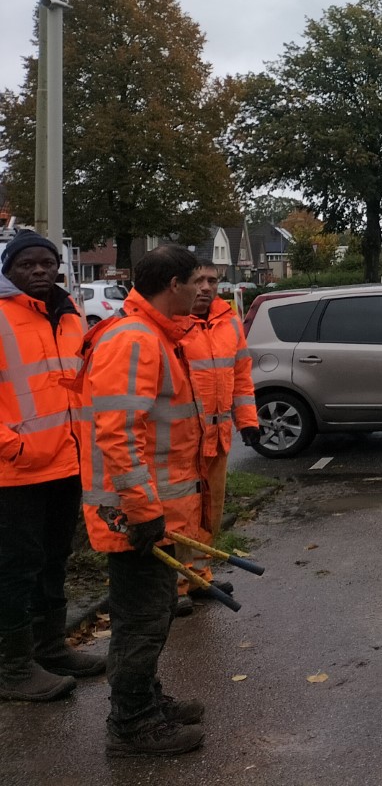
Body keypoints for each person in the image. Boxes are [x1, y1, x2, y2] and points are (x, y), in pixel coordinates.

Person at [80, 244, 207, 756]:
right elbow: (118, 432)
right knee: (141, 618)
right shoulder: (135, 339)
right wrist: (143, 509)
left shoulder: (150, 332)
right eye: (195, 281)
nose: (204, 291)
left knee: (151, 615)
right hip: (133, 513)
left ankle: (146, 701)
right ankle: (132, 726)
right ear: (172, 284)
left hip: (147, 507)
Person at [0, 230, 101, 704]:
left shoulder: (68, 316)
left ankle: (51, 648)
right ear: (9, 270)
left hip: (65, 463)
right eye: (27, 265)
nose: (39, 271)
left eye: (47, 263)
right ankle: (13, 668)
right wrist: (13, 447)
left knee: (53, 561)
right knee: (15, 569)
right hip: (14, 472)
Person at [174, 262, 259, 614]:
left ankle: (198, 576)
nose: (206, 287)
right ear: (179, 285)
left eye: (212, 280)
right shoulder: (170, 326)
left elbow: (241, 377)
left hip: (218, 437)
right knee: (178, 514)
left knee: (210, 511)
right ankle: (174, 585)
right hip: (179, 441)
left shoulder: (228, 323)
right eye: (198, 280)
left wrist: (248, 422)